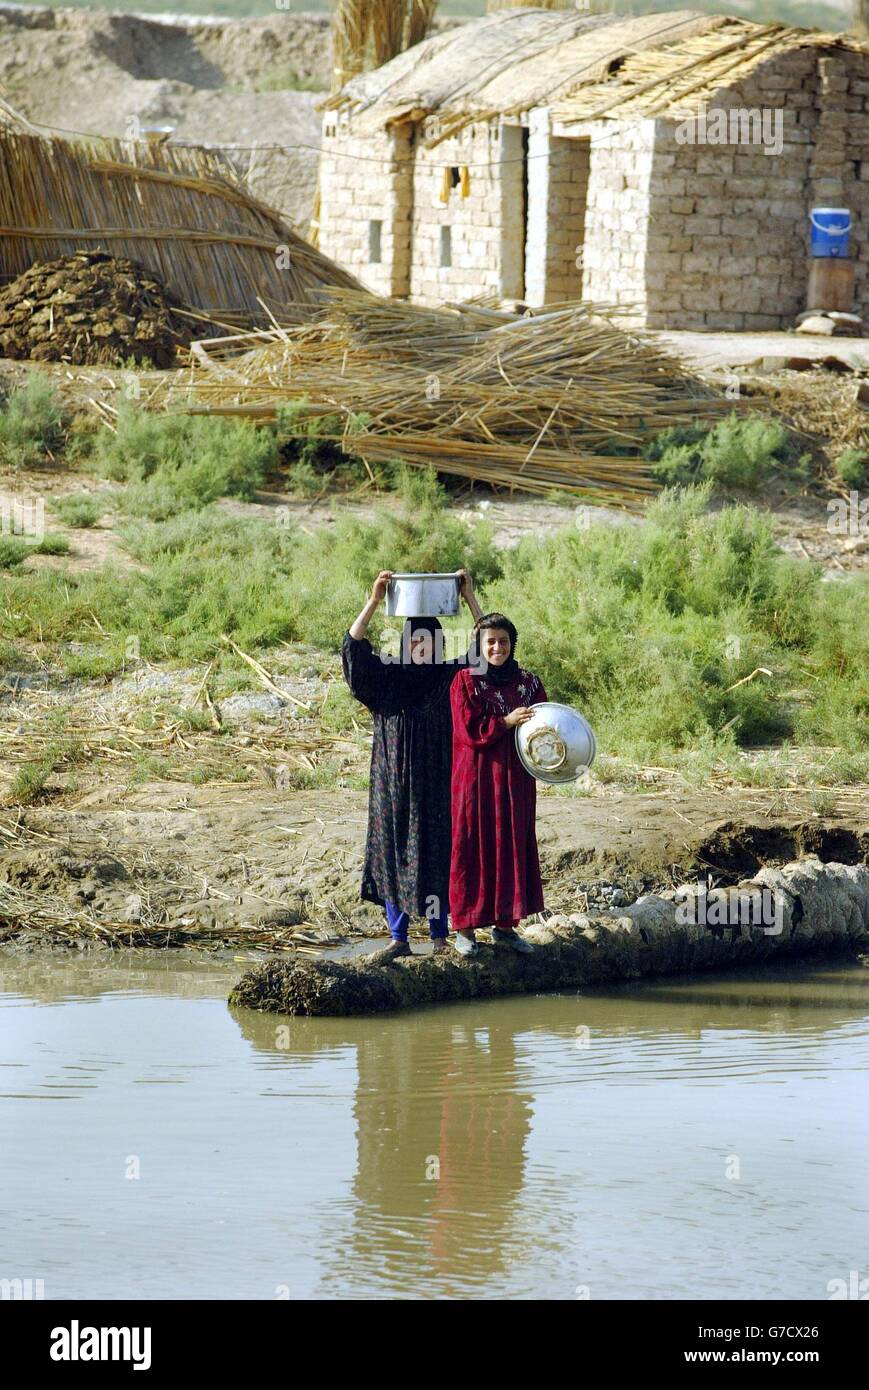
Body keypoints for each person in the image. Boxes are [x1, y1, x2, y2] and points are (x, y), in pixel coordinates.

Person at [342, 569, 482, 960]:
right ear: (405, 644)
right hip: (393, 785)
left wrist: (469, 597)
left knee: (437, 854)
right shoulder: (386, 679)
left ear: (439, 644)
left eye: (430, 641)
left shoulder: (452, 678)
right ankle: (398, 939)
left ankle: (440, 937)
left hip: (439, 781)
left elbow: (486, 649)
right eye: (416, 641)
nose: (422, 646)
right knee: (394, 851)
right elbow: (353, 650)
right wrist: (373, 601)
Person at [448, 612, 547, 957]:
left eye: (503, 641)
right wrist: (506, 721)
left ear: (512, 643)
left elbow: (545, 726)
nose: (497, 647)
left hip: (516, 780)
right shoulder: (465, 680)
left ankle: (505, 927)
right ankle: (465, 930)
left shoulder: (529, 684)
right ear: (479, 645)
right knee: (471, 847)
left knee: (511, 845)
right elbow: (468, 730)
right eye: (490, 642)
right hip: (475, 781)